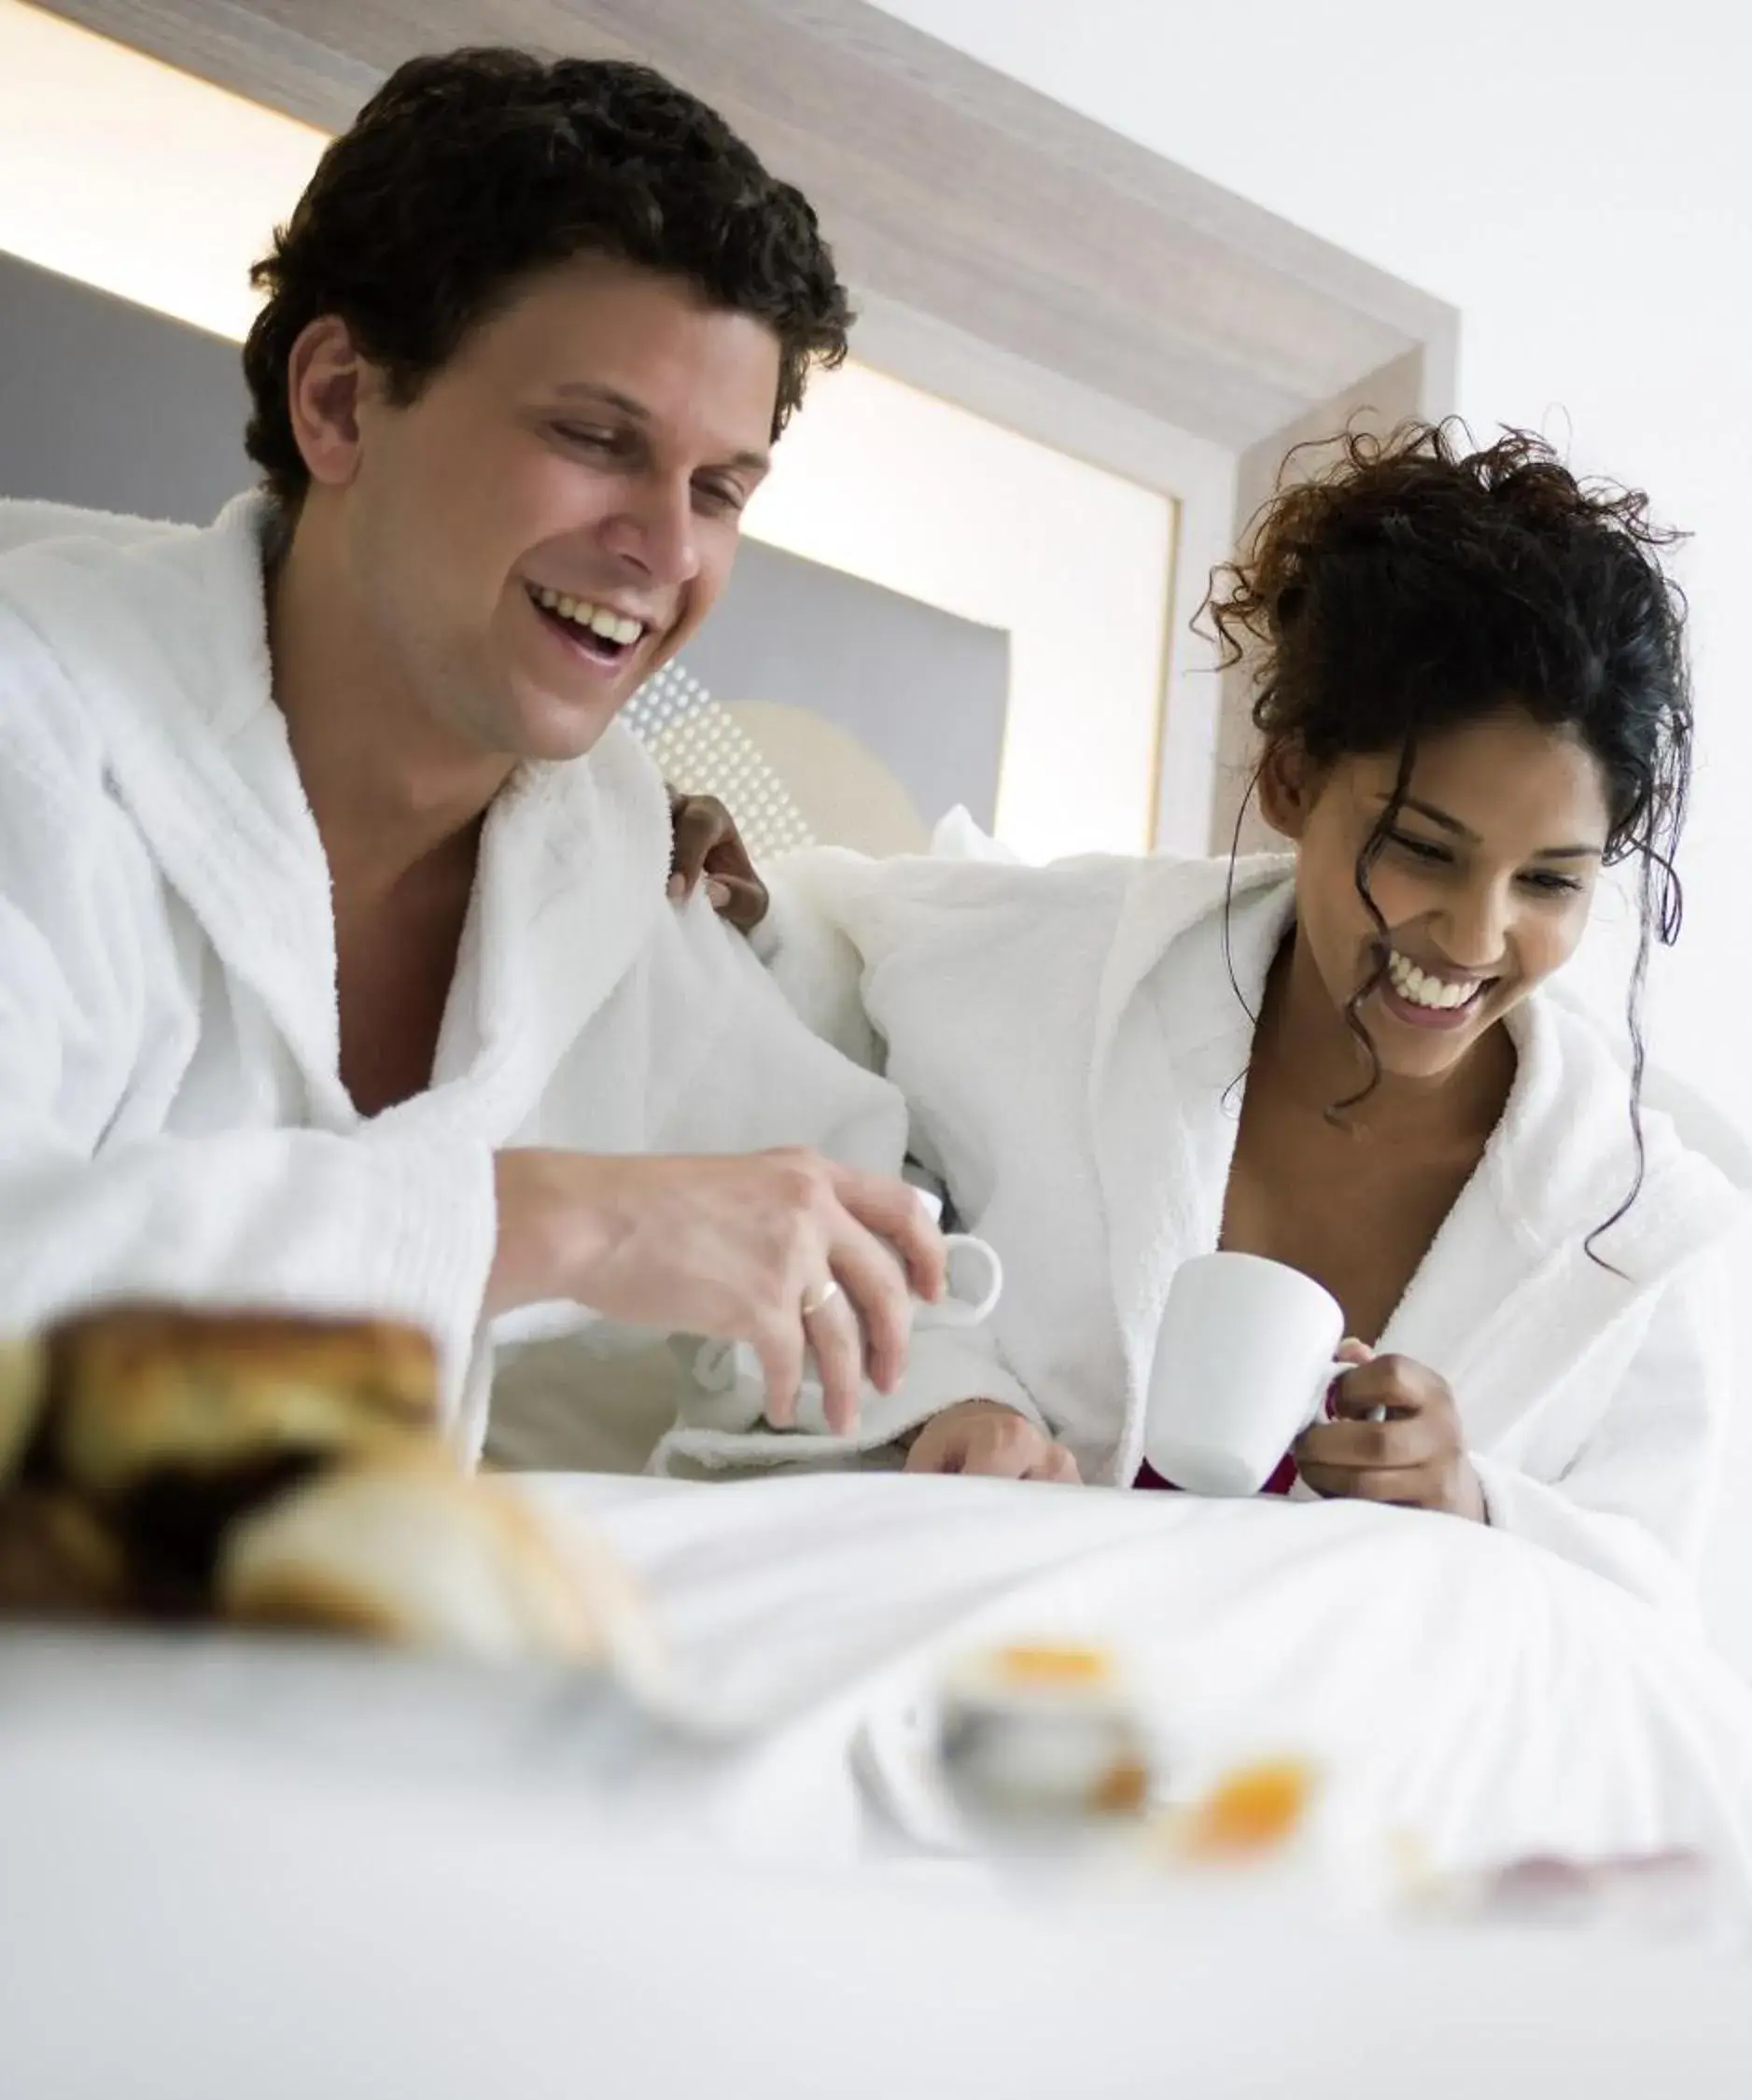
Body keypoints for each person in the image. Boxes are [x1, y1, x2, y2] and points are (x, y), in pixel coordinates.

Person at [0, 49, 1016, 1464]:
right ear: (340, 401)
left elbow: (832, 1225)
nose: (667, 551)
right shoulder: (40, 723)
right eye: (595, 438)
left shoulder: (599, 858)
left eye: (720, 490)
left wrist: (950, 1412)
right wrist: (547, 1222)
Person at [665, 425, 1752, 1610]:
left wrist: (1471, 1508)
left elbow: (1649, 1616)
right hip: (997, 1657)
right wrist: (953, 1402)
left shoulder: (1634, 1229)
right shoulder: (1058, 966)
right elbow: (805, 1064)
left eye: (1549, 881)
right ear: (1289, 781)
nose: (1477, 938)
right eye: (1421, 849)